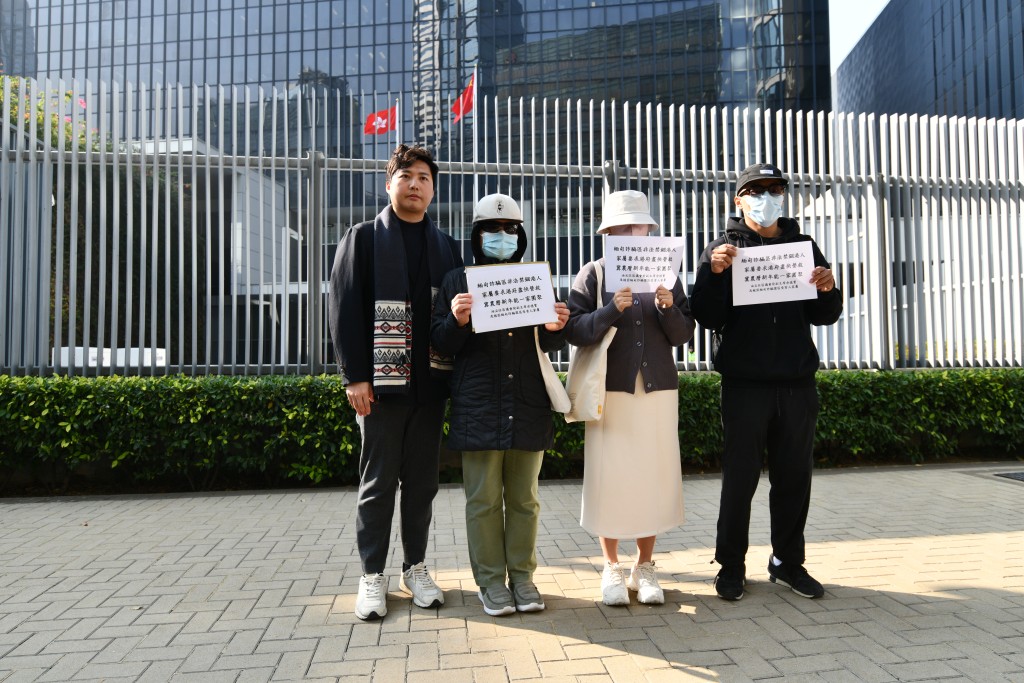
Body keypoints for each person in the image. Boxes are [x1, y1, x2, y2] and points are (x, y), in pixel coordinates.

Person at [689, 162, 843, 602]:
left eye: (774, 189)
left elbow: (825, 314)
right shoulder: (722, 248)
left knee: (795, 478)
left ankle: (787, 563)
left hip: (797, 384)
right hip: (745, 386)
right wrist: (714, 275)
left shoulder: (803, 245)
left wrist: (829, 287)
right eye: (755, 190)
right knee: (740, 481)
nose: (766, 197)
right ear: (738, 200)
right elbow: (707, 316)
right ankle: (731, 566)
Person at [328, 144, 463, 620]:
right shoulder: (362, 238)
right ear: (390, 184)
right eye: (406, 175)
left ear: (433, 189)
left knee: (423, 484)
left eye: (424, 177)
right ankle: (371, 575)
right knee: (378, 482)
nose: (415, 184)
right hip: (381, 389)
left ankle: (415, 567)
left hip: (430, 385)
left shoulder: (446, 246)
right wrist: (355, 377)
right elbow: (344, 310)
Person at [431, 193, 570, 616]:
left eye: (511, 229)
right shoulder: (458, 281)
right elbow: (440, 343)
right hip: (478, 404)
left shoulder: (535, 278)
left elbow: (549, 343)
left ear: (521, 235)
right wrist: (455, 320)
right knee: (483, 500)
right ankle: (491, 583)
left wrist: (556, 327)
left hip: (527, 401)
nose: (502, 236)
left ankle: (523, 579)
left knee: (525, 498)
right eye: (492, 230)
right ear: (476, 235)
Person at [564, 189, 696, 606]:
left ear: (649, 229)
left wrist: (668, 307)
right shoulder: (595, 273)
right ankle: (611, 565)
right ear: (608, 233)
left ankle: (646, 565)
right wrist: (610, 311)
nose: (629, 232)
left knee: (653, 477)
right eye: (621, 227)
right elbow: (574, 330)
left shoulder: (668, 275)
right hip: (611, 392)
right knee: (611, 479)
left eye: (636, 225)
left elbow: (684, 335)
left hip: (658, 391)